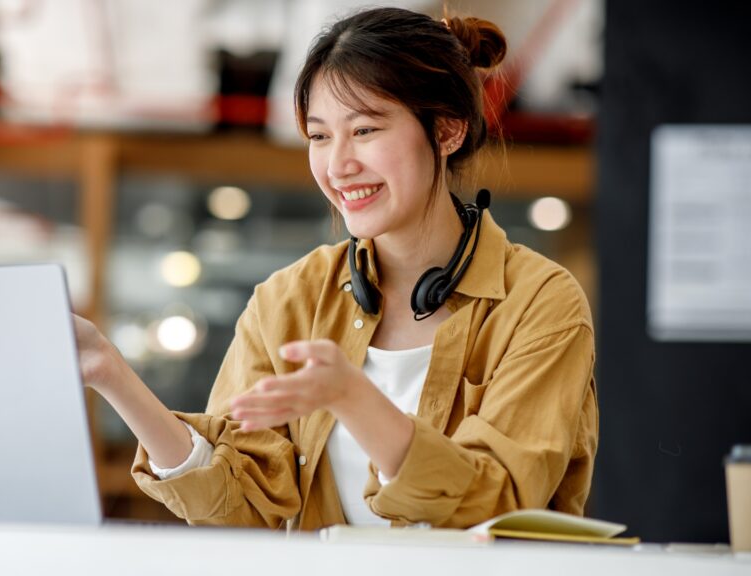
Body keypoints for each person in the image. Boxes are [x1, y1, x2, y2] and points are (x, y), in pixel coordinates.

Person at [73, 6, 598, 531]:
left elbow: (499, 504)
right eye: (320, 136)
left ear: (447, 131)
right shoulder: (288, 298)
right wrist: (110, 372)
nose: (338, 165)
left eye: (365, 129)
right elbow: (240, 507)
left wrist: (353, 398)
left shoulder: (540, 302)